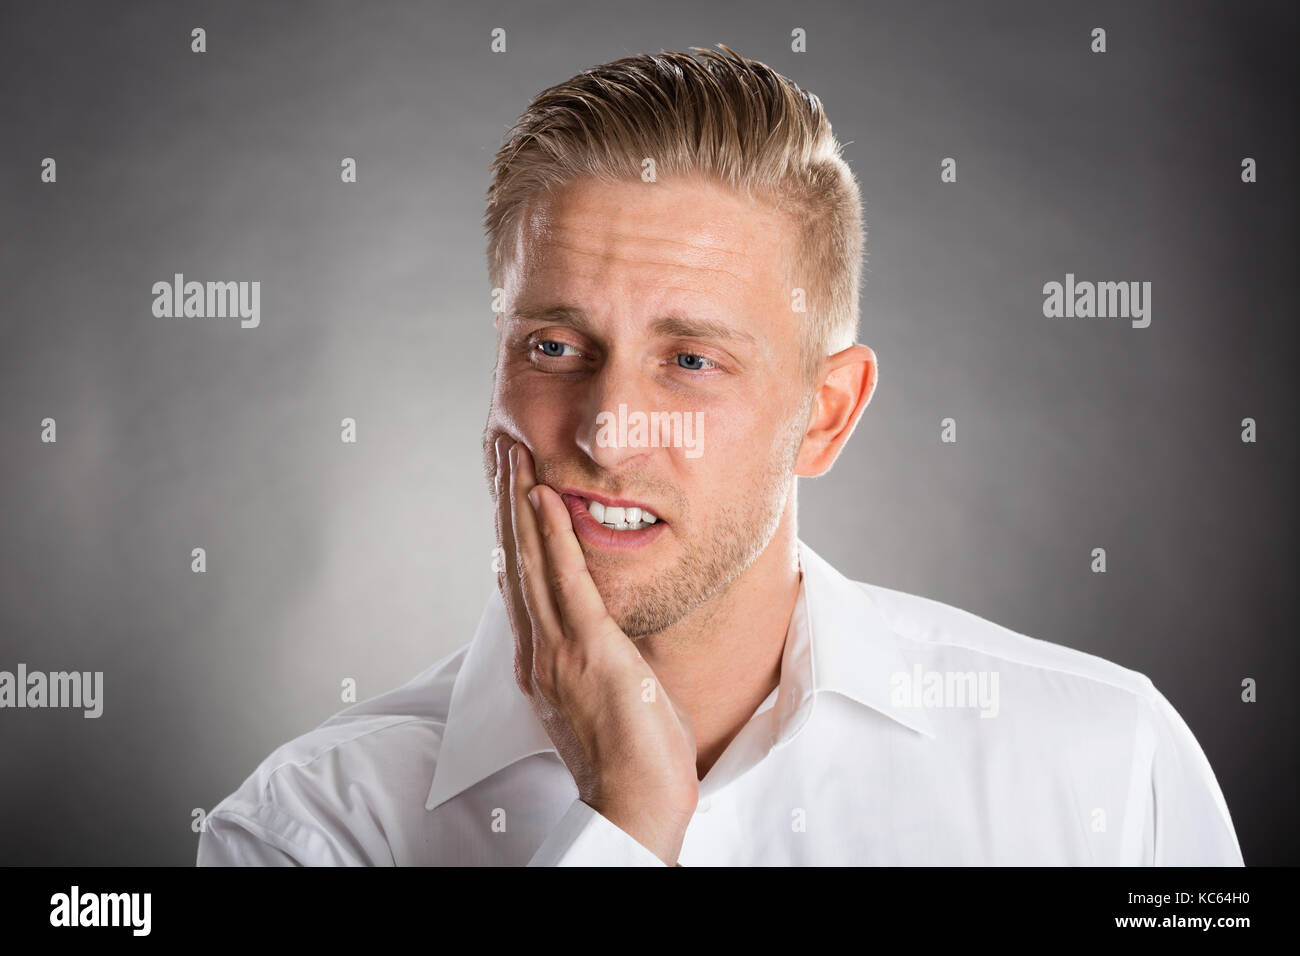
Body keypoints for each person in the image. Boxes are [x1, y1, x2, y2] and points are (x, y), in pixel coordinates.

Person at [197, 45, 1243, 866]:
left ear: (825, 416)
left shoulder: (1109, 765)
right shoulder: (312, 828)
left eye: (690, 359)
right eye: (553, 347)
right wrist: (626, 821)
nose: (607, 430)